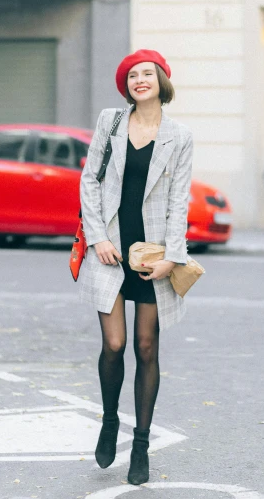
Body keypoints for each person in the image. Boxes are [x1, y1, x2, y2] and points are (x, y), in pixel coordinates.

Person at [78, 49, 193, 486]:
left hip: (151, 256)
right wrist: (98, 238)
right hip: (109, 249)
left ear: (162, 81)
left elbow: (179, 201)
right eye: (132, 75)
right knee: (114, 343)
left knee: (146, 346)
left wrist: (172, 257)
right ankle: (110, 420)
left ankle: (140, 444)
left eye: (147, 73)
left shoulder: (179, 136)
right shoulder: (110, 122)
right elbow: (90, 180)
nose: (139, 80)